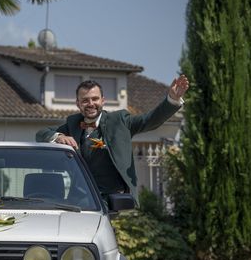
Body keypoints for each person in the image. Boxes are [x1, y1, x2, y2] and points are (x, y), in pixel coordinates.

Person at [35, 75, 189, 204]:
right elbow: (41, 133)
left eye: (95, 99)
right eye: (85, 100)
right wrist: (59, 136)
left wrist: (172, 100)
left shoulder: (120, 121)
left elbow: (150, 120)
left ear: (103, 100)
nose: (91, 104)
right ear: (78, 104)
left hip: (114, 201)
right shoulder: (72, 123)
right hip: (80, 201)